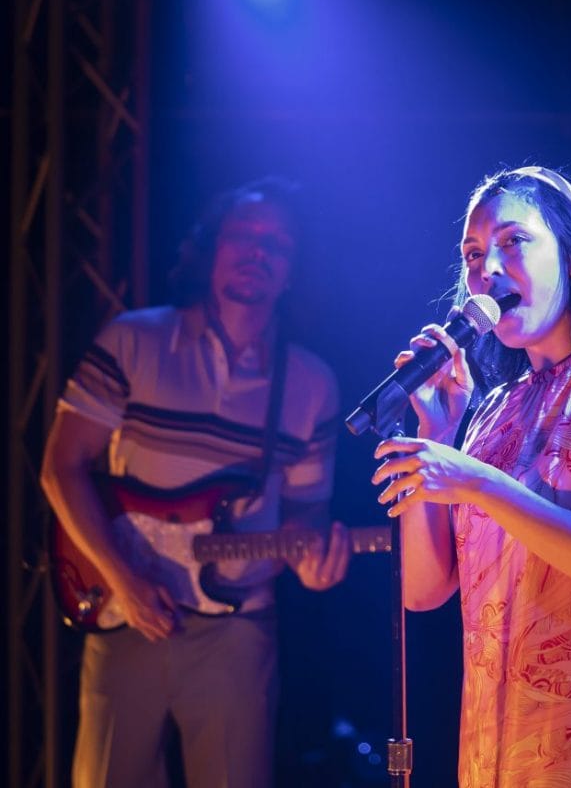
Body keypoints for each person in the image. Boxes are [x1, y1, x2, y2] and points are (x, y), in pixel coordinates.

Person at [371, 165, 571, 787]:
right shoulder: (491, 411)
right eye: (471, 253)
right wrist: (438, 436)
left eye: (513, 241)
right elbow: (423, 589)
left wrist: (475, 482)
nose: (485, 269)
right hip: (494, 751)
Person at [41, 177, 350, 788]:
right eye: (244, 235)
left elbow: (304, 520)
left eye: (278, 245)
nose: (258, 252)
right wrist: (125, 583)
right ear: (212, 247)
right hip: (126, 610)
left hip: (238, 630)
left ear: (292, 271)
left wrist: (312, 561)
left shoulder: (311, 384)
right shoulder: (133, 340)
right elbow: (61, 467)